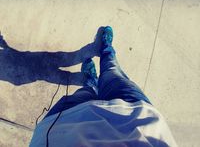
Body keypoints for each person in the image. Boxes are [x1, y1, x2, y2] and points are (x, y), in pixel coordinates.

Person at [30, 26, 177, 147]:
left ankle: (91, 81)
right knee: (112, 73)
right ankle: (106, 50)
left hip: (64, 124)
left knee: (85, 92)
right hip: (135, 116)